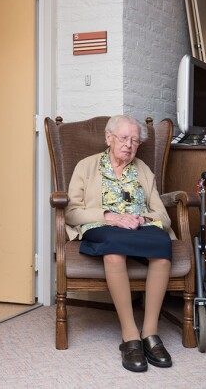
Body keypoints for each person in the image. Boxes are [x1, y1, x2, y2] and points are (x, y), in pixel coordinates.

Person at [66, 115, 173, 372]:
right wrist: (108, 216)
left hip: (138, 227)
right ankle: (130, 337)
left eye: (135, 141)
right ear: (108, 138)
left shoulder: (143, 170)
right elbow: (71, 211)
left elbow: (163, 216)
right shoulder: (86, 166)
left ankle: (150, 333)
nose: (129, 145)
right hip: (103, 226)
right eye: (124, 138)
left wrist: (141, 218)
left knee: (162, 246)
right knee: (114, 251)